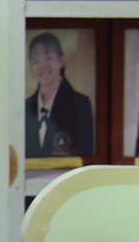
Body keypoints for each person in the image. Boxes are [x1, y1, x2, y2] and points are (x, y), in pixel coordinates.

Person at [27, 32, 96, 162]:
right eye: (35, 61)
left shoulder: (80, 104)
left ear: (61, 61)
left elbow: (85, 155)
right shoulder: (26, 108)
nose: (42, 66)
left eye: (48, 58)